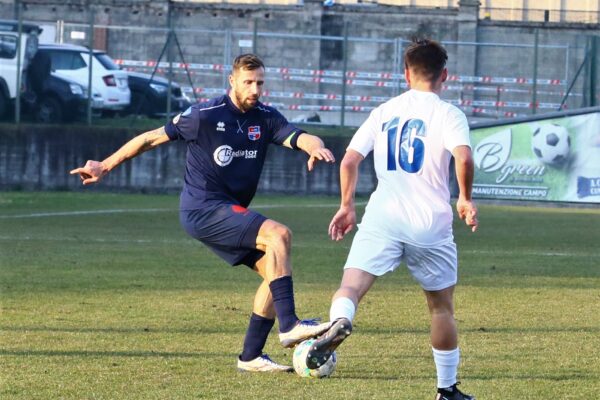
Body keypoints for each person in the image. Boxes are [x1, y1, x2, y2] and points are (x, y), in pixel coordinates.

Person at [70, 53, 335, 373]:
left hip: (228, 209)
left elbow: (300, 136)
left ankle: (250, 356)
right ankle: (289, 325)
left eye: (260, 83)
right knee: (279, 234)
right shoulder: (204, 115)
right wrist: (104, 165)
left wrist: (314, 146)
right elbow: (150, 138)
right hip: (203, 208)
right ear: (232, 81)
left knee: (274, 272)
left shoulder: (266, 117)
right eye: (248, 82)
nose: (255, 89)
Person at [305, 39, 478, 400]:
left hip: (383, 216)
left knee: (351, 286)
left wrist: (347, 205)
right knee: (441, 307)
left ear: (405, 73)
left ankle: (340, 320)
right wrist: (464, 198)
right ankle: (446, 390)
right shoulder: (448, 114)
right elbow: (463, 157)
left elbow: (350, 160)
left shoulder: (384, 110)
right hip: (428, 224)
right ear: (444, 75)